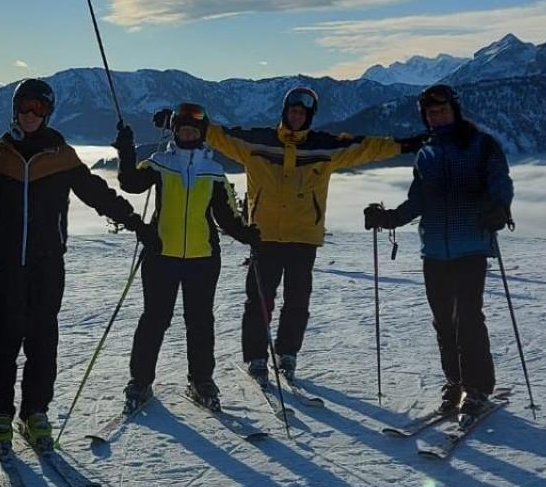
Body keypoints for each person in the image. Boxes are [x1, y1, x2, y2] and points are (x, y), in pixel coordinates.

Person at [0, 77, 152, 453]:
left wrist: (134, 221)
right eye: (25, 107)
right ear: (15, 109)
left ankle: (34, 412)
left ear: (48, 112)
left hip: (47, 264)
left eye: (38, 108)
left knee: (43, 339)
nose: (30, 115)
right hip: (7, 264)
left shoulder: (61, 156)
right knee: (4, 339)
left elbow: (96, 193)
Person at [196, 86, 427, 387]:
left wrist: (405, 145)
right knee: (259, 300)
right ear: (284, 111)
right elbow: (220, 136)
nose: (297, 115)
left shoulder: (324, 147)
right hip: (264, 236)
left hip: (303, 237)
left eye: (302, 112)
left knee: (297, 300)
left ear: (309, 116)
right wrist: (188, 122)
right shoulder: (256, 142)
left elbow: (367, 147)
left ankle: (287, 353)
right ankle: (256, 356)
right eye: (293, 110)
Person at [365, 83, 514, 418]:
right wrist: (387, 219)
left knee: (469, 319)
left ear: (454, 110)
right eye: (431, 112)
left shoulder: (481, 144)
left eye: (442, 110)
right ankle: (456, 382)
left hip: (471, 245)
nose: (437, 116)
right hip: (433, 251)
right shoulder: (427, 153)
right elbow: (418, 200)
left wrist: (500, 208)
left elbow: (500, 181)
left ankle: (477, 387)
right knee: (444, 322)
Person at [114, 102, 259, 411]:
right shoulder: (160, 163)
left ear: (201, 133)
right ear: (175, 131)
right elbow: (130, 183)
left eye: (194, 129)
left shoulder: (214, 172)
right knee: (154, 319)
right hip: (161, 255)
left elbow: (228, 217)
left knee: (200, 321)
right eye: (183, 128)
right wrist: (126, 151)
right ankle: (140, 382)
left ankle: (201, 379)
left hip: (203, 258)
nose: (188, 133)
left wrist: (249, 235)